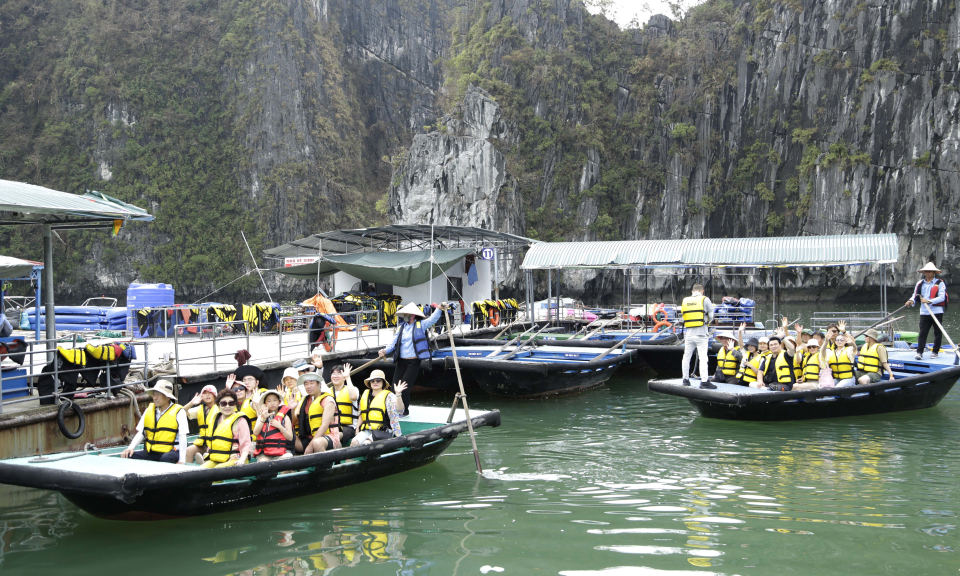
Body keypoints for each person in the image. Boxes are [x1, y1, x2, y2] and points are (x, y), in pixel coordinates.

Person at [378, 302, 445, 415]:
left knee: (404, 387)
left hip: (413, 361)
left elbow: (432, 319)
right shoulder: (401, 328)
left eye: (407, 314)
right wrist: (385, 351)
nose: (405, 317)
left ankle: (405, 411)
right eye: (404, 314)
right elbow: (393, 342)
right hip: (401, 361)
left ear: (413, 315)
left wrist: (439, 308)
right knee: (395, 387)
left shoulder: (421, 324)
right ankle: (395, 410)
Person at [121, 380, 188, 464]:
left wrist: (182, 460)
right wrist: (130, 448)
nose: (155, 398)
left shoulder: (179, 411)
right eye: (154, 394)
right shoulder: (149, 410)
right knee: (128, 456)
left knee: (166, 458)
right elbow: (141, 432)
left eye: (158, 395)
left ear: (168, 397)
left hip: (171, 451)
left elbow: (183, 437)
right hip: (152, 451)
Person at [351, 370, 407, 446]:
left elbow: (400, 409)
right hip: (368, 429)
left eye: (378, 380)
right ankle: (350, 458)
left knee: (366, 443)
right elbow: (361, 414)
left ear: (383, 382)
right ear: (370, 383)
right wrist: (357, 429)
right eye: (372, 381)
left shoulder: (389, 396)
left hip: (384, 430)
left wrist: (398, 394)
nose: (375, 382)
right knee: (354, 442)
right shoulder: (366, 395)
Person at [906, 262, 947, 360]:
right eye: (926, 271)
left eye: (930, 271)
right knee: (923, 332)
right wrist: (911, 300)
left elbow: (942, 297)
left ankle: (935, 351)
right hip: (924, 312)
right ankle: (919, 352)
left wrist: (929, 301)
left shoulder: (940, 283)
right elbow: (915, 294)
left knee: (937, 332)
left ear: (934, 272)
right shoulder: (920, 283)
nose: (927, 273)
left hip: (937, 312)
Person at [201, 388, 252, 468]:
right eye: (223, 403)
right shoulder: (215, 419)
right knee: (201, 470)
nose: (227, 406)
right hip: (217, 458)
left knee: (218, 469)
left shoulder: (240, 420)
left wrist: (242, 460)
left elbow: (246, 444)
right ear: (218, 405)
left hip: (236, 459)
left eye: (231, 403)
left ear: (235, 404)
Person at [296, 372, 341, 454]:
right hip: (311, 436)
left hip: (330, 436)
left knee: (317, 443)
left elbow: (325, 425)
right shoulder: (305, 401)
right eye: (306, 384)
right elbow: (295, 421)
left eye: (312, 383)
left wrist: (310, 445)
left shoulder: (328, 400)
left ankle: (324, 466)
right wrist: (292, 409)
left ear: (319, 384)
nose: (309, 386)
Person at [680, 283, 715, 388]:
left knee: (686, 357)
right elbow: (711, 316)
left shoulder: (685, 300)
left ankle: (685, 380)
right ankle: (704, 382)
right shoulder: (705, 299)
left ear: (692, 291)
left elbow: (683, 316)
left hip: (689, 334)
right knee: (703, 358)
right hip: (701, 333)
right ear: (702, 291)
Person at [252, 390, 294, 461]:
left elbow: (290, 438)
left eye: (275, 400)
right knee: (263, 462)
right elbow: (255, 433)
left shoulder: (285, 418)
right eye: (269, 401)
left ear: (279, 402)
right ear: (265, 403)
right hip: (265, 453)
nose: (272, 403)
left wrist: (280, 427)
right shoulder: (261, 417)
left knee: (288, 459)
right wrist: (263, 418)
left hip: (282, 452)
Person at [183, 384, 218, 465]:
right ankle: (189, 473)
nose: (207, 395)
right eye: (205, 393)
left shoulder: (220, 408)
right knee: (189, 450)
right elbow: (181, 412)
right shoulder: (200, 409)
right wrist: (192, 403)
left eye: (210, 393)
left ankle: (205, 461)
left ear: (215, 395)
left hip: (216, 442)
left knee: (210, 453)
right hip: (204, 443)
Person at [329, 364, 360, 445]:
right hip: (331, 427)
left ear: (344, 377)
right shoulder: (327, 392)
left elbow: (353, 397)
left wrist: (347, 377)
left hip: (348, 427)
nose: (335, 376)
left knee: (335, 436)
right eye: (333, 373)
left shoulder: (353, 389)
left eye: (339, 373)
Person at [826, 321, 857, 387]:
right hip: (834, 375)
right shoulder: (826, 344)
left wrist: (844, 331)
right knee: (825, 387)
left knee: (837, 388)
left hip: (847, 375)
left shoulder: (847, 348)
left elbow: (853, 342)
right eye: (830, 331)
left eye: (834, 331)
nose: (832, 333)